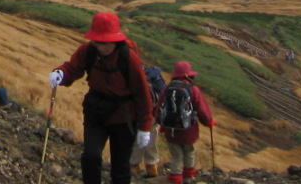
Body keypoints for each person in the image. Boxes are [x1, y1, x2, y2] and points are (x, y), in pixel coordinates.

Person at [48, 12, 154, 184]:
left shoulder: (128, 57)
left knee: (120, 168)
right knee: (90, 156)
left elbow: (142, 93)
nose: (102, 47)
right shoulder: (89, 51)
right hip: (95, 113)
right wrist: (61, 73)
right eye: (98, 42)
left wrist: (145, 127)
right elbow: (73, 68)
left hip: (123, 118)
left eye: (106, 43)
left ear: (116, 40)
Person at [156, 61, 214, 184]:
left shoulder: (168, 89)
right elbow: (202, 109)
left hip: (170, 130)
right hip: (189, 129)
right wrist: (208, 122)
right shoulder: (193, 89)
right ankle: (187, 178)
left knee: (175, 155)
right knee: (189, 152)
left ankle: (176, 180)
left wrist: (161, 124)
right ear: (188, 75)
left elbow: (159, 108)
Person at [130, 64, 166, 178]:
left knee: (138, 141)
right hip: (154, 116)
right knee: (151, 141)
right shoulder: (156, 81)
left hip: (139, 116)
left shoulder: (137, 80)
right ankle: (152, 167)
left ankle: (133, 166)